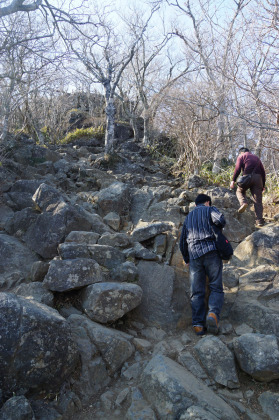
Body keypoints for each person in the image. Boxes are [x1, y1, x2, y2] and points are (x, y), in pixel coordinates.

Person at [179, 194, 226, 336]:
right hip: (211, 252)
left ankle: (198, 325)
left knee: (197, 291)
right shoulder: (209, 209)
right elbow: (221, 220)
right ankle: (212, 315)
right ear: (207, 202)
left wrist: (187, 258)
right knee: (216, 287)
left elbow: (182, 241)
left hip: (194, 256)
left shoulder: (189, 217)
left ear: (195, 204)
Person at [230, 147, 266, 227]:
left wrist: (233, 180)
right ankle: (259, 221)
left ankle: (243, 202)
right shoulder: (257, 158)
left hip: (246, 178)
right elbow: (263, 172)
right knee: (258, 201)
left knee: (239, 191)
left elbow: (237, 169)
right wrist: (263, 185)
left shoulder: (241, 156)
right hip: (258, 179)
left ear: (241, 152)